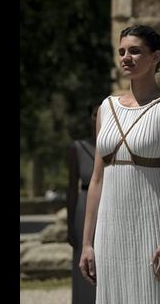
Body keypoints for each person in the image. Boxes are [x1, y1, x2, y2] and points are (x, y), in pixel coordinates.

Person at [79, 25, 160, 303]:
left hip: (154, 227)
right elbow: (97, 179)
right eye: (122, 52)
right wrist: (87, 243)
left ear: (156, 57)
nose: (126, 57)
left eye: (135, 51)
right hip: (110, 230)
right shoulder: (107, 108)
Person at [67, 103, 98, 304]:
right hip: (84, 204)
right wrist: (70, 224)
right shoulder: (78, 148)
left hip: (109, 203)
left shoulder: (114, 145)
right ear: (90, 118)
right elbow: (71, 187)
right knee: (83, 256)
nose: (98, 118)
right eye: (95, 114)